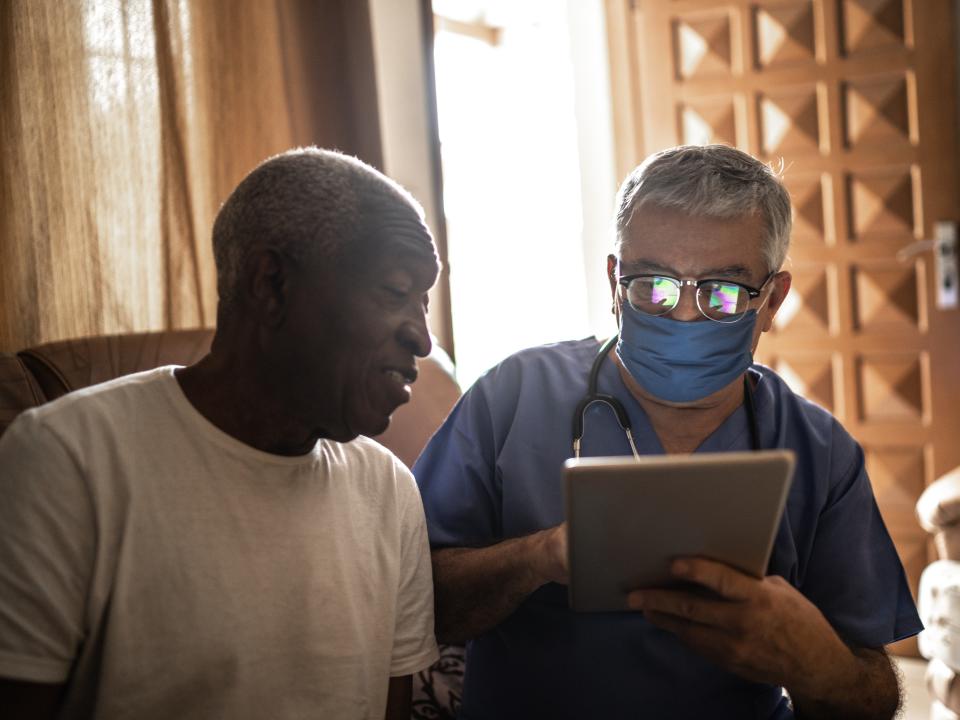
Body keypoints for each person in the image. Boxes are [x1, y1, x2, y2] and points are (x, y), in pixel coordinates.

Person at [414, 144, 922, 719]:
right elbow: (416, 606)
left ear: (772, 300)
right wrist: (540, 557)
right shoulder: (514, 397)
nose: (682, 316)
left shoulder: (819, 451)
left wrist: (811, 661)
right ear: (614, 281)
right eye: (653, 285)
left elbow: (872, 697)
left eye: (722, 292)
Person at [0, 148, 441, 719]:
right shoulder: (66, 461)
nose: (423, 339)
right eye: (395, 291)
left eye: (424, 302)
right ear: (272, 283)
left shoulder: (389, 491)